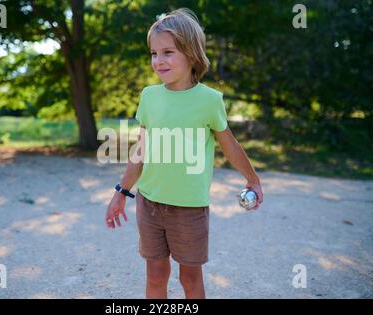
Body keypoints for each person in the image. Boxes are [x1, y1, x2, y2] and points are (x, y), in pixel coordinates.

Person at [105, 8, 263, 299]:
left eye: (167, 52)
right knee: (155, 275)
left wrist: (252, 178)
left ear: (191, 54)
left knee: (190, 279)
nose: (158, 61)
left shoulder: (209, 100)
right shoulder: (149, 96)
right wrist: (121, 191)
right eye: (153, 53)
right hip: (149, 204)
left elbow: (229, 144)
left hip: (189, 209)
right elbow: (140, 151)